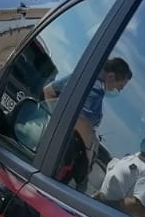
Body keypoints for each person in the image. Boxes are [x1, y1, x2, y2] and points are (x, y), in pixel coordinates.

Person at [56, 57, 133, 188]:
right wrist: (89, 153)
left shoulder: (83, 76)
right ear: (111, 77)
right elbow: (82, 121)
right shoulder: (95, 91)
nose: (118, 91)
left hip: (53, 148)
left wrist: (53, 124)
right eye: (120, 87)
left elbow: (49, 92)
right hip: (63, 156)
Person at [96, 123, 145, 217]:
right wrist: (97, 197)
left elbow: (138, 207)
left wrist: (108, 204)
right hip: (98, 211)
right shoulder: (134, 157)